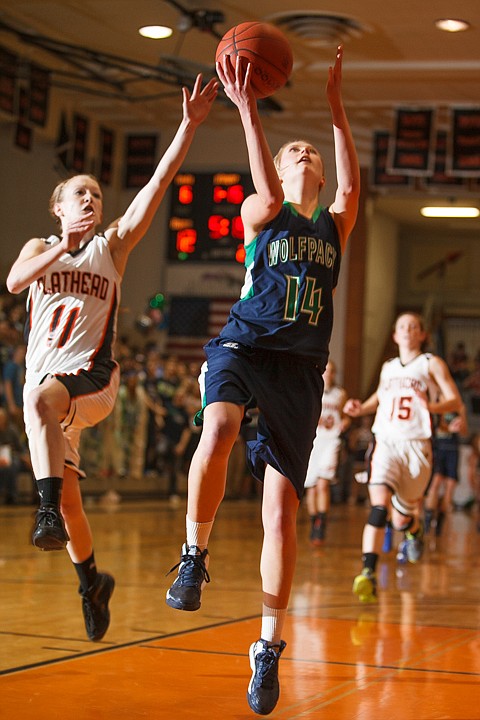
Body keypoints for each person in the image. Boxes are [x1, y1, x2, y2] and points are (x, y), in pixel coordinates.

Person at [165, 45, 360, 716]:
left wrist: (336, 107)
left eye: (314, 152)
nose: (307, 155)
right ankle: (194, 553)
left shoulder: (334, 224)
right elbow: (270, 190)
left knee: (282, 512)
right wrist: (248, 110)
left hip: (301, 371)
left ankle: (268, 647)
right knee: (216, 425)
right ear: (273, 168)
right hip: (243, 344)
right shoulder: (262, 212)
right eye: (295, 149)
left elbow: (352, 186)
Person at [6, 74, 218, 641]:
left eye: (97, 195)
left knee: (38, 402)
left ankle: (42, 513)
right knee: (74, 500)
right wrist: (60, 246)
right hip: (49, 393)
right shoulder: (40, 248)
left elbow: (157, 182)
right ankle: (91, 583)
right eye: (82, 193)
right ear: (59, 206)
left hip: (91, 381)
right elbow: (13, 281)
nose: (92, 200)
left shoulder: (113, 246)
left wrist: (188, 125)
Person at [344, 312, 463, 604]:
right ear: (395, 335)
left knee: (400, 518)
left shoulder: (430, 363)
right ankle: (367, 573)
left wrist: (432, 407)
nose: (407, 330)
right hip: (385, 441)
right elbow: (379, 397)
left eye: (413, 326)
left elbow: (455, 401)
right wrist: (361, 408)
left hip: (417, 446)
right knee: (379, 505)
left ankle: (414, 530)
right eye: (402, 327)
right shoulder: (388, 368)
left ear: (421, 334)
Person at [304, 360, 350, 544]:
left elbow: (346, 417)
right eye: (325, 370)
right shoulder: (311, 391)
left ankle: (322, 523)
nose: (328, 374)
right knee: (312, 487)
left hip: (331, 441)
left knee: (323, 484)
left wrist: (344, 424)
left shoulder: (340, 394)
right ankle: (314, 520)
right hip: (313, 441)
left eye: (331, 371)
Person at [424, 402, 468, 536]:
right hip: (438, 448)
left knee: (450, 487)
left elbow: (465, 432)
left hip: (453, 449)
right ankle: (427, 521)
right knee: (435, 483)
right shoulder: (435, 402)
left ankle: (439, 522)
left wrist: (458, 428)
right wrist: (448, 428)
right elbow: (432, 427)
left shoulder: (459, 406)